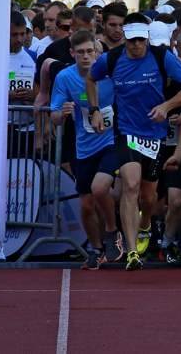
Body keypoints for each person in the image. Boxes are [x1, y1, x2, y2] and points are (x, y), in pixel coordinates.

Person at [87, 14, 181, 271]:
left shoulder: (161, 57)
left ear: (146, 39)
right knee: (130, 185)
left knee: (148, 197)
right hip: (126, 132)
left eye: (140, 40)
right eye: (131, 40)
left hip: (155, 135)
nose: (136, 45)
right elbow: (91, 78)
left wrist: (166, 106)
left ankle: (145, 223)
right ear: (124, 39)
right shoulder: (112, 59)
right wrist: (94, 109)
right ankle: (132, 250)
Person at [51, 31, 121, 270]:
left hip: (112, 141)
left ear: (97, 52)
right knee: (87, 204)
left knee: (100, 188)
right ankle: (96, 249)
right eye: (80, 52)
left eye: (90, 51)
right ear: (72, 54)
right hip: (83, 146)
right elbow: (55, 117)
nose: (85, 56)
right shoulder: (64, 77)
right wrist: (63, 112)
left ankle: (112, 232)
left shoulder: (110, 73)